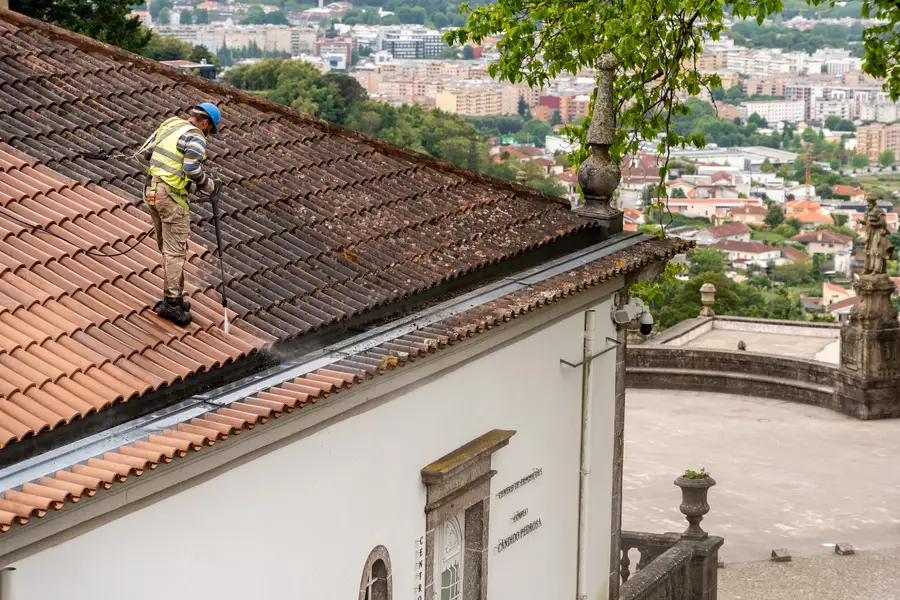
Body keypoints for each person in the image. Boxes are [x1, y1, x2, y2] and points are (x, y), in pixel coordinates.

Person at [136, 103, 222, 326]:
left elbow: (145, 154)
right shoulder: (196, 137)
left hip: (151, 191)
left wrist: (169, 174)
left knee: (168, 248)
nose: (208, 134)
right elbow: (191, 168)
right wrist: (208, 185)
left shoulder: (171, 124)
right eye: (210, 129)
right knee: (175, 252)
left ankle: (176, 296)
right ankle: (172, 305)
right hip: (169, 197)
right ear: (205, 123)